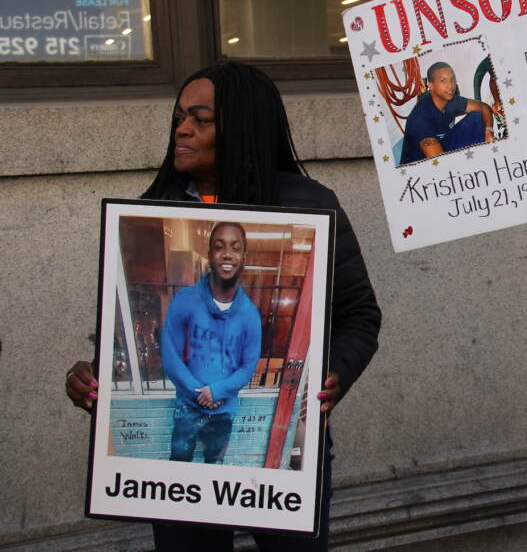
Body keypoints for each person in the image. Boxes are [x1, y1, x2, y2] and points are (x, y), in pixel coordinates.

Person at [65, 62, 382, 551]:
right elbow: (137, 333)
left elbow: (360, 316)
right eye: (177, 119)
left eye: (200, 119)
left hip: (277, 459)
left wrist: (333, 375)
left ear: (241, 127)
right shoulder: (156, 206)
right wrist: (95, 376)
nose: (182, 130)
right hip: (181, 441)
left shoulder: (309, 206)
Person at [162, 222, 262, 464]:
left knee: (214, 469)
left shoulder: (250, 314)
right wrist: (198, 393)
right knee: (178, 468)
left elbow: (248, 367)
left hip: (223, 412)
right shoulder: (185, 300)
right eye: (219, 247)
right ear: (209, 255)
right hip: (187, 409)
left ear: (243, 257)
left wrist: (217, 391)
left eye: (235, 248)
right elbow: (169, 354)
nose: (227, 254)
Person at [400, 61, 494, 164]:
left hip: (444, 145)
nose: (450, 85)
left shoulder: (450, 99)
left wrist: (489, 131)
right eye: (443, 81)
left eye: (452, 79)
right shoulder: (421, 119)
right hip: (422, 166)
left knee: (478, 117)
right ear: (431, 86)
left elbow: (483, 107)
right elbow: (441, 165)